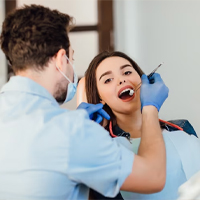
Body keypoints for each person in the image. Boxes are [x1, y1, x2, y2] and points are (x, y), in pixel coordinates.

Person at [0, 5, 169, 200]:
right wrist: (150, 108)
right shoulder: (72, 130)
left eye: (127, 72)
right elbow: (154, 176)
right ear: (61, 59)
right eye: (72, 58)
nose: (122, 80)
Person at [83, 51, 200, 200]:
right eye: (108, 80)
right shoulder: (103, 151)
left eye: (127, 72)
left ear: (143, 80)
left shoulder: (182, 128)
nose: (121, 80)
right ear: (100, 98)